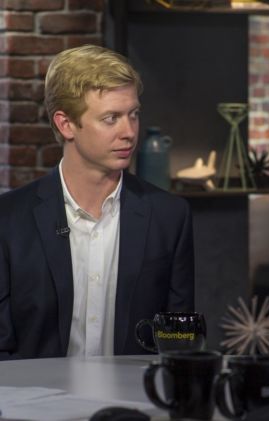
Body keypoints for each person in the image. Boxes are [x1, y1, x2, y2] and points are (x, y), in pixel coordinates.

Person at [0, 45, 195, 359]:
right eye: (111, 118)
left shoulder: (170, 217)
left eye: (133, 115)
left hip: (134, 402)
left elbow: (179, 345)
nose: (129, 132)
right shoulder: (8, 220)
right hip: (33, 403)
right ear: (66, 125)